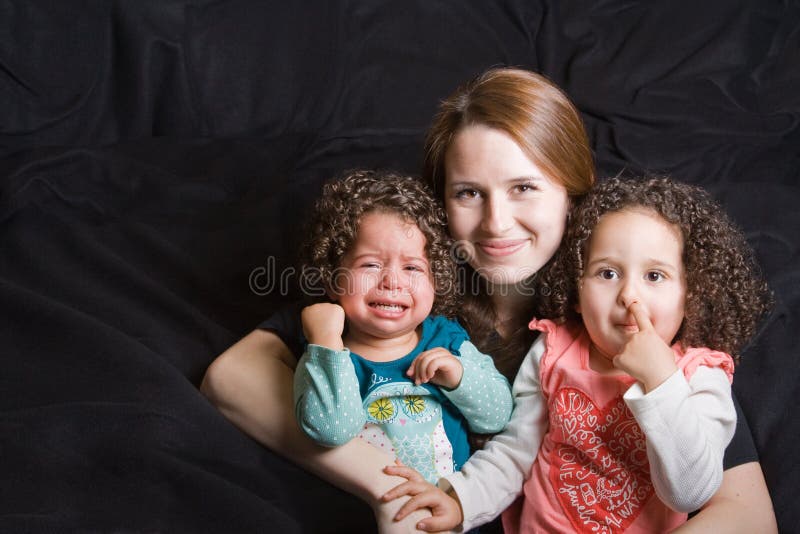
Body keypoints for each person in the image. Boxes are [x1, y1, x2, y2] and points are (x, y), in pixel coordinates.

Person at [200, 67, 777, 532]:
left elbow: (746, 512)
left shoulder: (619, 313)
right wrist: (392, 491)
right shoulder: (409, 289)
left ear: (575, 196)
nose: (497, 222)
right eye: (469, 193)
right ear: (441, 204)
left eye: (524, 187)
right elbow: (231, 376)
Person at [384, 175, 774, 532]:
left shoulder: (701, 375)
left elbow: (688, 493)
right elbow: (516, 453)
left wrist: (661, 381)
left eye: (655, 276)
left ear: (690, 296)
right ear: (577, 291)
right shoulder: (554, 352)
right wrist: (461, 501)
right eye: (607, 273)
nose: (629, 295)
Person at [292, 170, 513, 484]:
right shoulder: (326, 355)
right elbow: (331, 430)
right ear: (332, 278)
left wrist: (459, 378)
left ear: (436, 281)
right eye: (370, 264)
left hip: (450, 514)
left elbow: (498, 415)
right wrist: (326, 340)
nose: (392, 282)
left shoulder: (447, 340)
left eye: (412, 267)